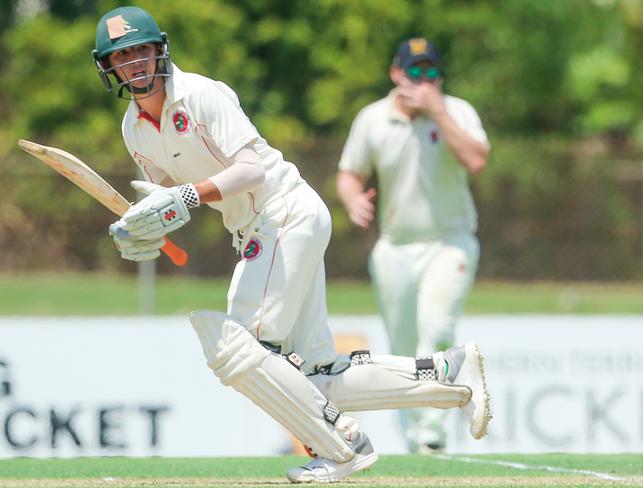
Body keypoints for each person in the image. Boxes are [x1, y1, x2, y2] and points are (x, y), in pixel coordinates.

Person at [93, 8, 491, 482]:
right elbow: (167, 199)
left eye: (141, 49)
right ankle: (449, 373)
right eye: (123, 55)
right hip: (261, 229)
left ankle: (344, 446)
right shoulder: (133, 128)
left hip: (282, 212)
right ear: (110, 67)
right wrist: (143, 231)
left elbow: (249, 171)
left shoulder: (201, 94)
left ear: (160, 49)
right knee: (317, 374)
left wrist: (183, 197)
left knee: (239, 350)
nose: (135, 62)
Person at [337, 38, 490, 453]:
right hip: (395, 249)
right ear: (395, 73)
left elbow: (476, 160)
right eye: (414, 73)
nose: (422, 82)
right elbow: (350, 173)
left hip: (450, 243)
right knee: (403, 351)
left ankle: (433, 432)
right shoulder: (373, 119)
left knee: (437, 329)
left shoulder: (456, 111)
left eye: (430, 74)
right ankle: (415, 442)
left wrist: (438, 110)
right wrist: (352, 198)